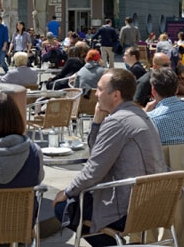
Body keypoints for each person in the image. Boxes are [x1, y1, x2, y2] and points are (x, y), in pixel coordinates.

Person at [53, 69, 165, 246]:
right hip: (155, 202)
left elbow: (93, 171)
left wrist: (66, 192)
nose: (96, 94)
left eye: (100, 89)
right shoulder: (141, 115)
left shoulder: (117, 121)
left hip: (128, 208)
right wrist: (97, 121)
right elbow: (98, 151)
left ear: (115, 95)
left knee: (64, 208)